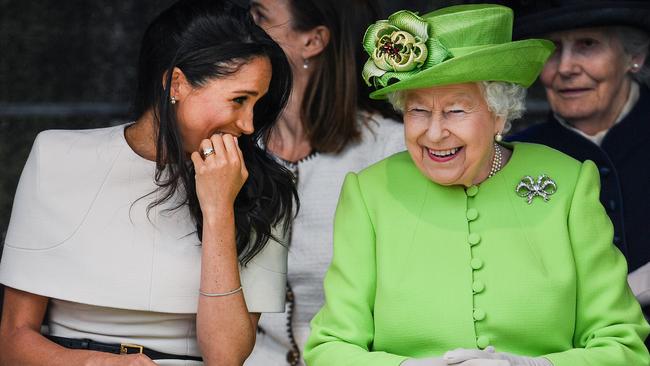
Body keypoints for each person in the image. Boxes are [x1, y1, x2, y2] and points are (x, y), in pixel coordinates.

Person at [304, 4, 650, 366]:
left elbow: (621, 344)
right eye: (418, 111)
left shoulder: (569, 183)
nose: (434, 133)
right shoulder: (369, 193)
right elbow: (330, 348)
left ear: (499, 114)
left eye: (455, 111)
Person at [0, 0, 296, 365]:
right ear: (177, 84)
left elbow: (226, 357)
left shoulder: (262, 187)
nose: (249, 125)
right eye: (238, 100)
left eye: (257, 104)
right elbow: (13, 341)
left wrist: (219, 208)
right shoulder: (56, 157)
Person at [244, 1, 404, 365]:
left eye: (260, 17)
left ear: (313, 41)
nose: (242, 26)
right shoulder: (235, 145)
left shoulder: (390, 149)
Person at [501, 0, 650, 315]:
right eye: (553, 49)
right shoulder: (510, 157)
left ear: (634, 56)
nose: (566, 67)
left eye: (587, 45)